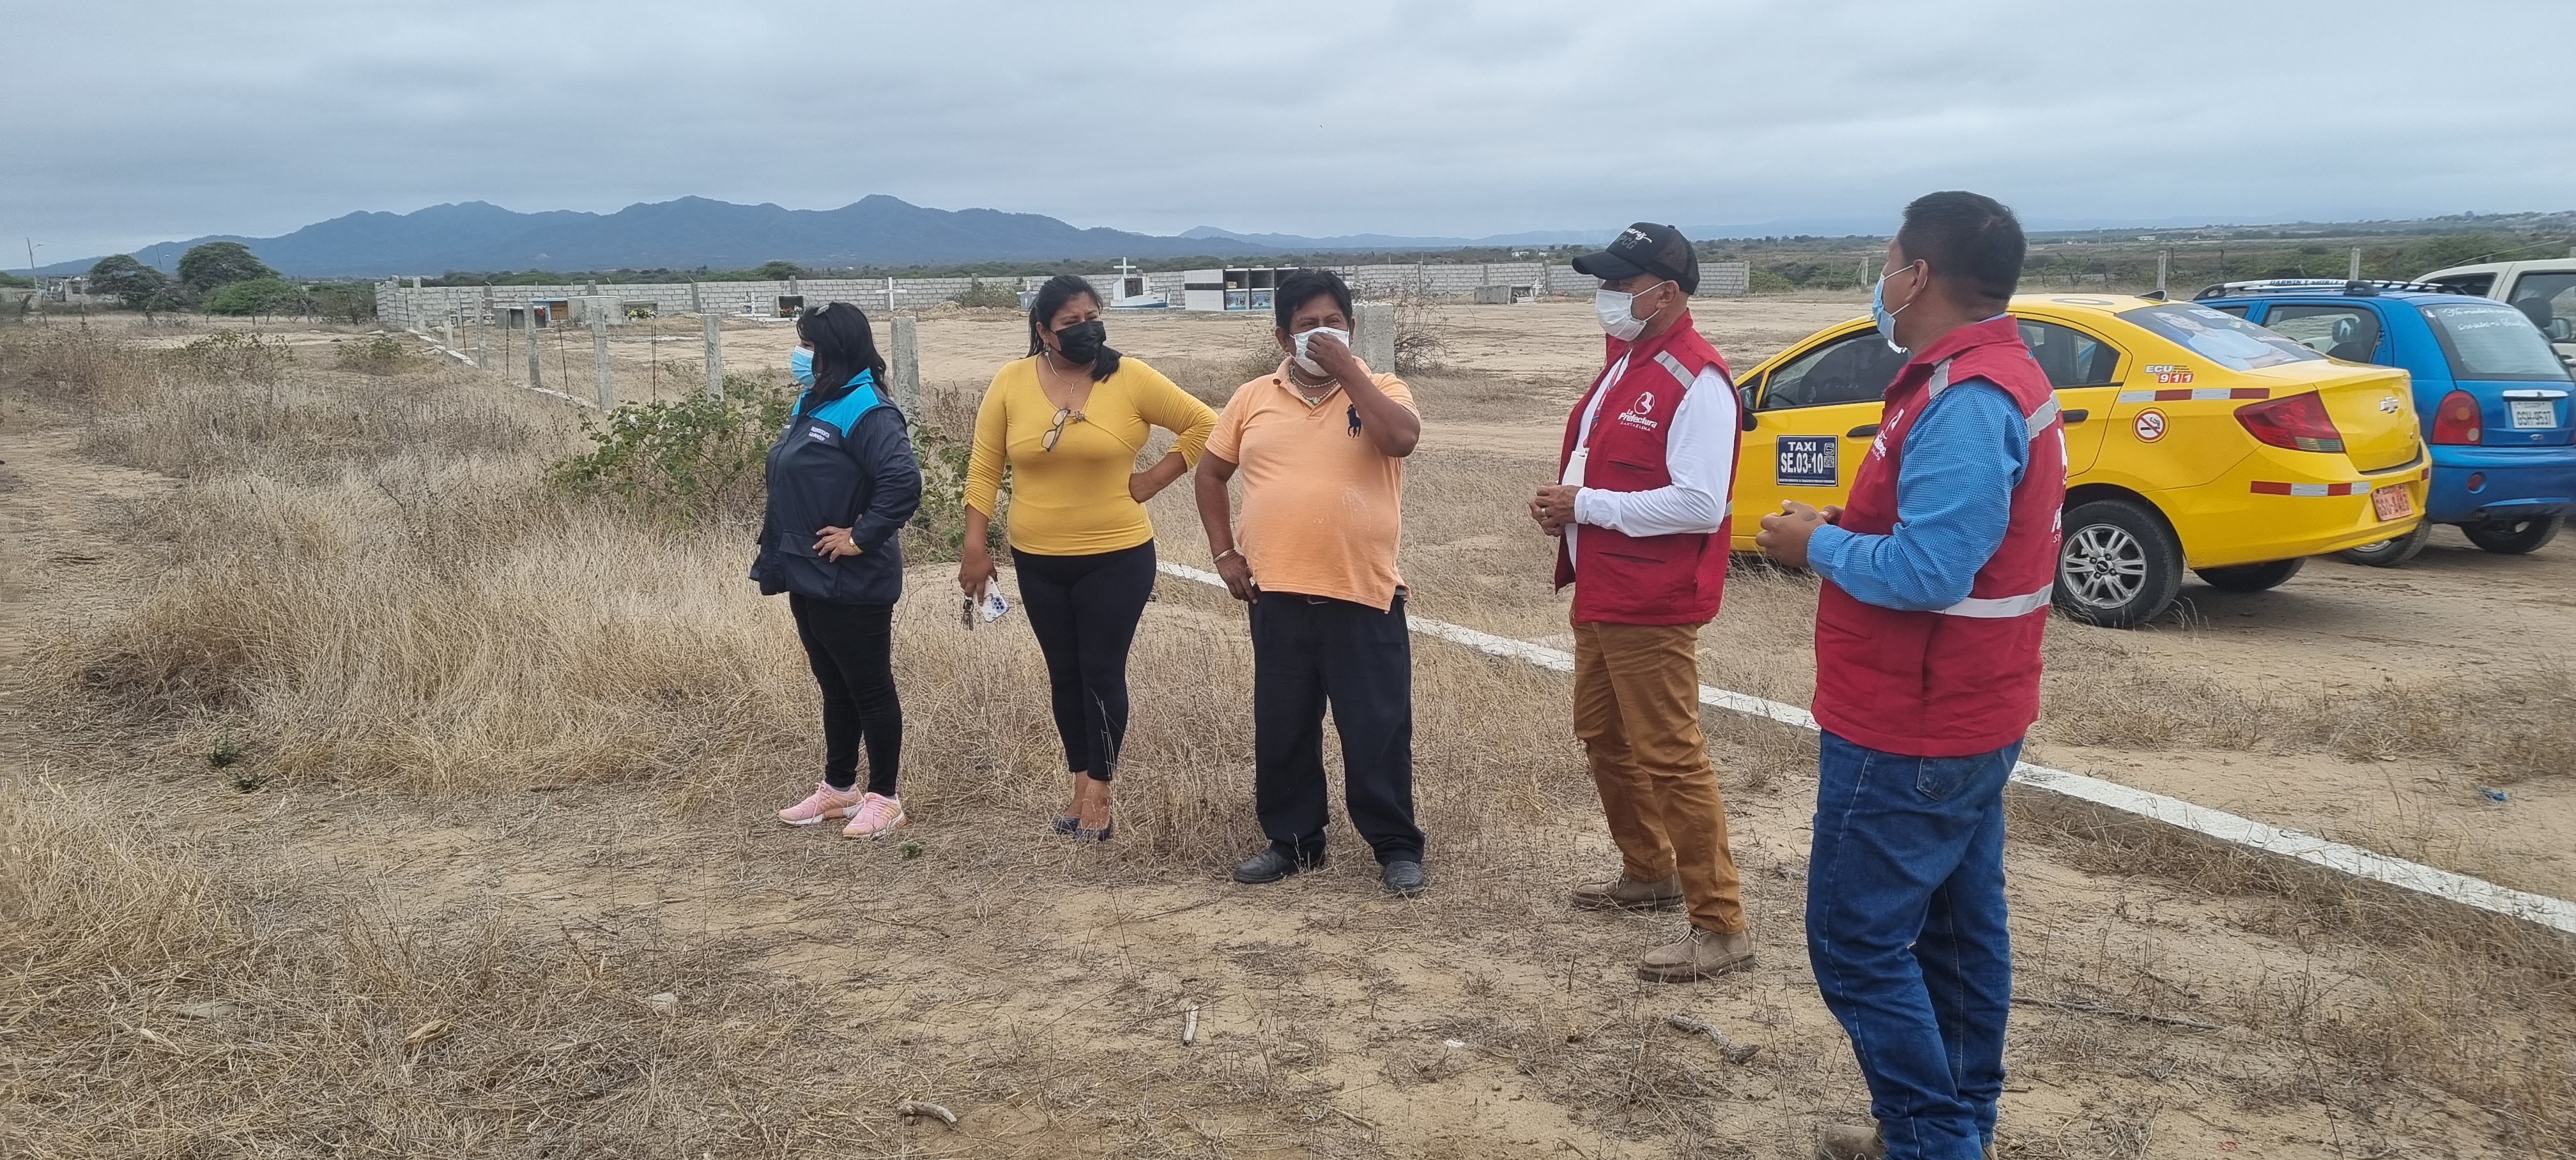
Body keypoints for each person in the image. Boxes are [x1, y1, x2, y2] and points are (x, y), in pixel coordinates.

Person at [1755, 192, 2065, 1160]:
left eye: (1888, 261)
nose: (1881, 279)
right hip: (1966, 708)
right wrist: (1845, 529)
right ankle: (1948, 1127)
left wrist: (1815, 547)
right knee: (1957, 937)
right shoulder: (1983, 378)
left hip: (1915, 721)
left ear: (1918, 274)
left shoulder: (1967, 399)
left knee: (1854, 944)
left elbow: (1933, 572)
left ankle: (1935, 1141)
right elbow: (1946, 540)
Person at [1527, 223, 1751, 982]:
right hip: (1603, 586)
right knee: (1602, 733)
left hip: (1652, 598)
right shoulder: (1628, 361)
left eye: (1622, 285)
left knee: (1671, 755)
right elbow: (1606, 465)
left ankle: (1720, 923)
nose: (1608, 296)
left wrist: (1586, 506)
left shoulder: (1698, 379)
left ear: (1667, 293)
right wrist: (1567, 507)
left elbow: (1700, 503)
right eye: (1606, 283)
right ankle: (1649, 868)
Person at [1193, 269, 1426, 896]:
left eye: (1333, 323)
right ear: (1282, 336)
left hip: (1363, 592)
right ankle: (1293, 842)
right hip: (1277, 593)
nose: (1321, 334)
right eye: (1307, 326)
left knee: (1377, 731)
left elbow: (1401, 440)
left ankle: (1397, 847)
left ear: (1351, 327)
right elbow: (1210, 474)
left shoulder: (1382, 387)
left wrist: (1349, 372)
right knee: (1284, 727)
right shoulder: (1252, 399)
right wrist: (1224, 552)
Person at [960, 274, 1216, 840]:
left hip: (1117, 556)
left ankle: (1099, 792)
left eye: (1093, 318)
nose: (1086, 330)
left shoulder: (1130, 377)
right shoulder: (1010, 382)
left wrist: (1153, 479)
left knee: (1100, 671)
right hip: (1038, 558)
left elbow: (1205, 423)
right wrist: (975, 546)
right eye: (1071, 323)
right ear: (1043, 331)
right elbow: (984, 469)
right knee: (1064, 674)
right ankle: (1079, 786)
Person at [758, 303, 923, 838]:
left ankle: (885, 798)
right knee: (834, 684)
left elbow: (903, 483)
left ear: (836, 350)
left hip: (854, 580)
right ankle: (839, 788)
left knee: (869, 688)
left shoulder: (867, 408)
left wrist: (858, 536)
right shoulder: (814, 399)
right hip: (807, 571)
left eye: (810, 346)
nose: (801, 355)